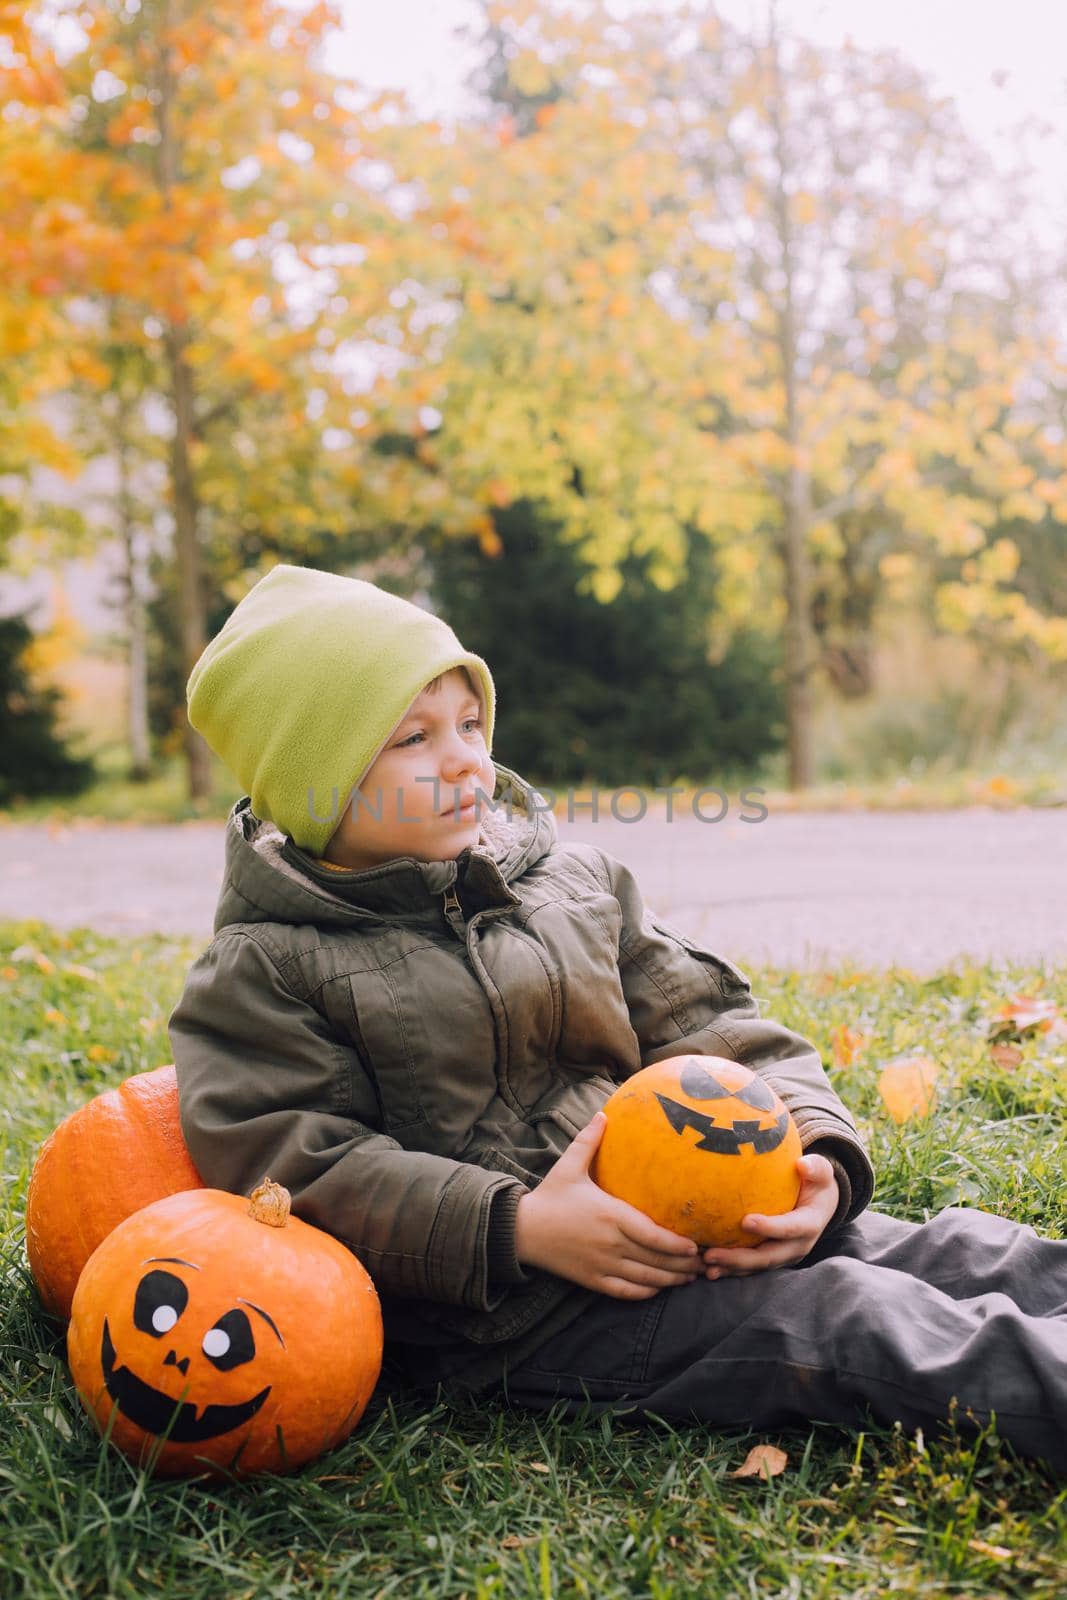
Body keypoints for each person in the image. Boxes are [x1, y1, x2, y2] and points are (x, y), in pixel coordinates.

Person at [169, 562, 1067, 1474]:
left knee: (941, 1250)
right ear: (312, 779)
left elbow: (711, 1022)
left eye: (470, 723)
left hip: (688, 1209)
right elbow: (298, 1170)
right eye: (412, 737)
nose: (464, 759)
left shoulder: (571, 881)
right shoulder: (269, 965)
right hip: (521, 1313)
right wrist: (516, 1228)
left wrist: (818, 1159)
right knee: (850, 1318)